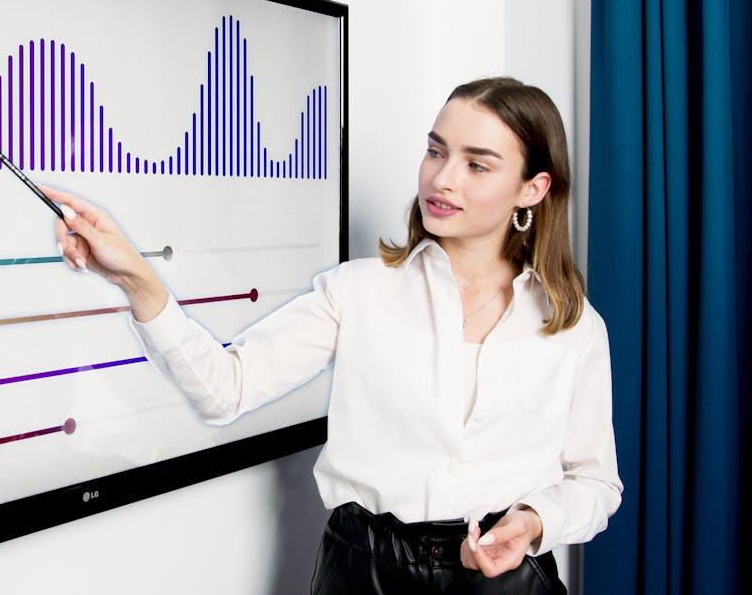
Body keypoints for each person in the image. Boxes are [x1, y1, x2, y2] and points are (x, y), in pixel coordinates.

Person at [41, 77, 622, 594]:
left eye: (478, 164)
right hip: (363, 574)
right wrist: (136, 279)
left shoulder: (573, 328)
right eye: (435, 150)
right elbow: (224, 390)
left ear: (533, 189)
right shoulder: (359, 291)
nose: (442, 179)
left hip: (508, 583)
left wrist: (534, 521)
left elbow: (595, 484)